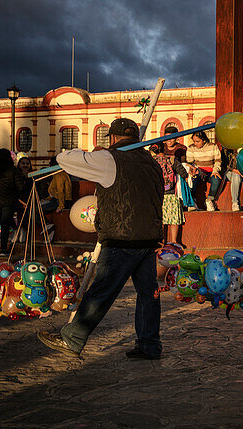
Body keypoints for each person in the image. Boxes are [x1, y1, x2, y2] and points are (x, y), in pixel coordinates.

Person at [37, 118, 164, 360]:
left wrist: (96, 153)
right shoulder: (152, 163)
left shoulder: (109, 159)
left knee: (102, 290)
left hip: (121, 237)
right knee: (149, 294)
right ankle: (149, 344)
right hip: (148, 239)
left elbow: (64, 160)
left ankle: (72, 338)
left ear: (113, 138)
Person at [150, 143, 185, 245]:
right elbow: (183, 173)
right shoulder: (171, 159)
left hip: (156, 194)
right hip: (171, 193)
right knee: (174, 218)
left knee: (159, 219)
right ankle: (174, 241)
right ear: (164, 149)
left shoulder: (151, 161)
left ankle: (160, 241)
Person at [185, 131, 222, 211]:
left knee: (216, 180)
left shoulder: (213, 146)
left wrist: (215, 171)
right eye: (194, 141)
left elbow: (218, 161)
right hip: (198, 171)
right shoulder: (191, 148)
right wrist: (193, 168)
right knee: (193, 179)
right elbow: (189, 163)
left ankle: (209, 200)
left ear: (204, 140)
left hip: (210, 171)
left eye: (197, 141)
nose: (195, 143)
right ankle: (193, 201)